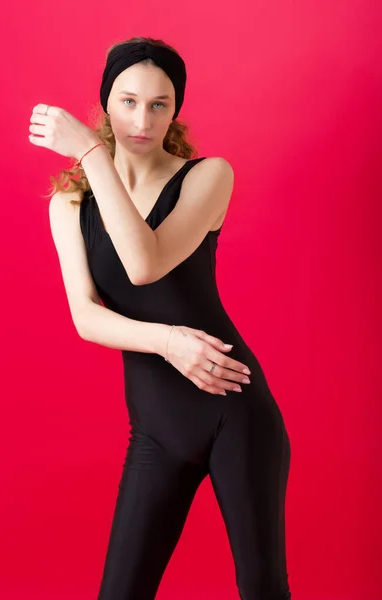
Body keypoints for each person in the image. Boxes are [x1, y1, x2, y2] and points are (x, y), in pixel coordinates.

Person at [46, 37, 292, 600]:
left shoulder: (208, 176)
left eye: (159, 104)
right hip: (157, 429)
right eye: (128, 101)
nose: (142, 119)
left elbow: (143, 264)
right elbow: (85, 315)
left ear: (176, 109)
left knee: (263, 588)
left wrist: (89, 154)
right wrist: (168, 342)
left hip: (238, 414)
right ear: (106, 102)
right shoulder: (69, 204)